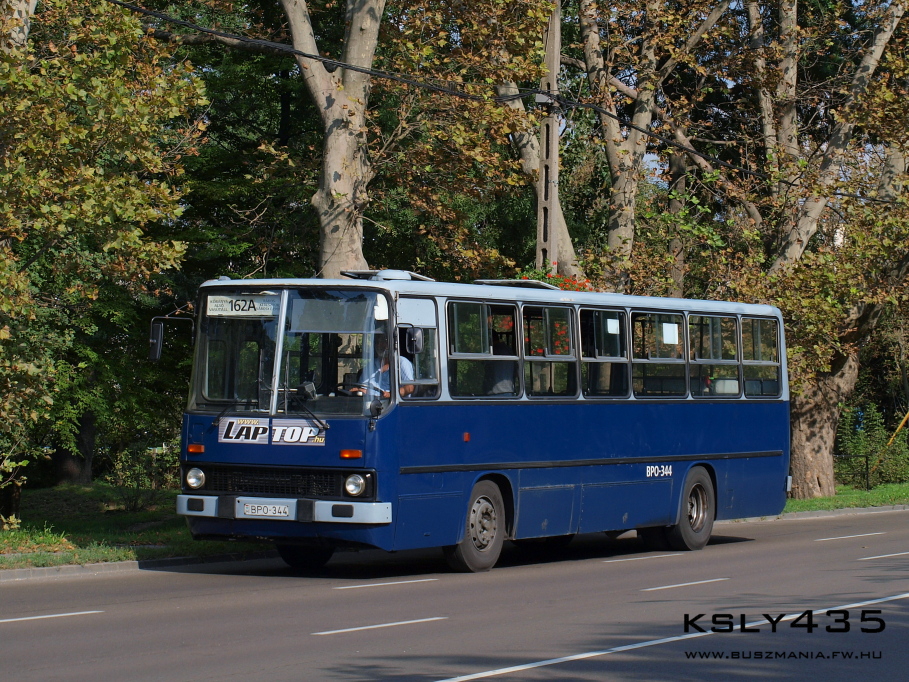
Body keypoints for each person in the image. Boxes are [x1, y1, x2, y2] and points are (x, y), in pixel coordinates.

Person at [352, 333, 415, 398]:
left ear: (390, 343)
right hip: (372, 402)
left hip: (393, 402)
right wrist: (358, 390)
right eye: (376, 342)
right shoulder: (371, 365)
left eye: (382, 341)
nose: (379, 345)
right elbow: (363, 387)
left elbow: (410, 388)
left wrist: (391, 394)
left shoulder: (402, 362)